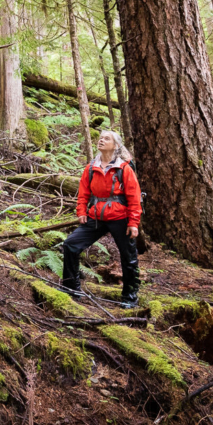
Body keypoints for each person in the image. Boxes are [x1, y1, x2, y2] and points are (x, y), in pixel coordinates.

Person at [61, 130, 142, 308]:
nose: (101, 140)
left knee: (128, 257)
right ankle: (70, 287)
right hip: (96, 217)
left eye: (107, 138)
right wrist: (81, 211)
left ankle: (130, 297)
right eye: (101, 138)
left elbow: (134, 198)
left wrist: (133, 222)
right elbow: (83, 192)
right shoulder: (91, 168)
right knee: (70, 245)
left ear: (116, 145)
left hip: (121, 218)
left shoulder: (124, 169)